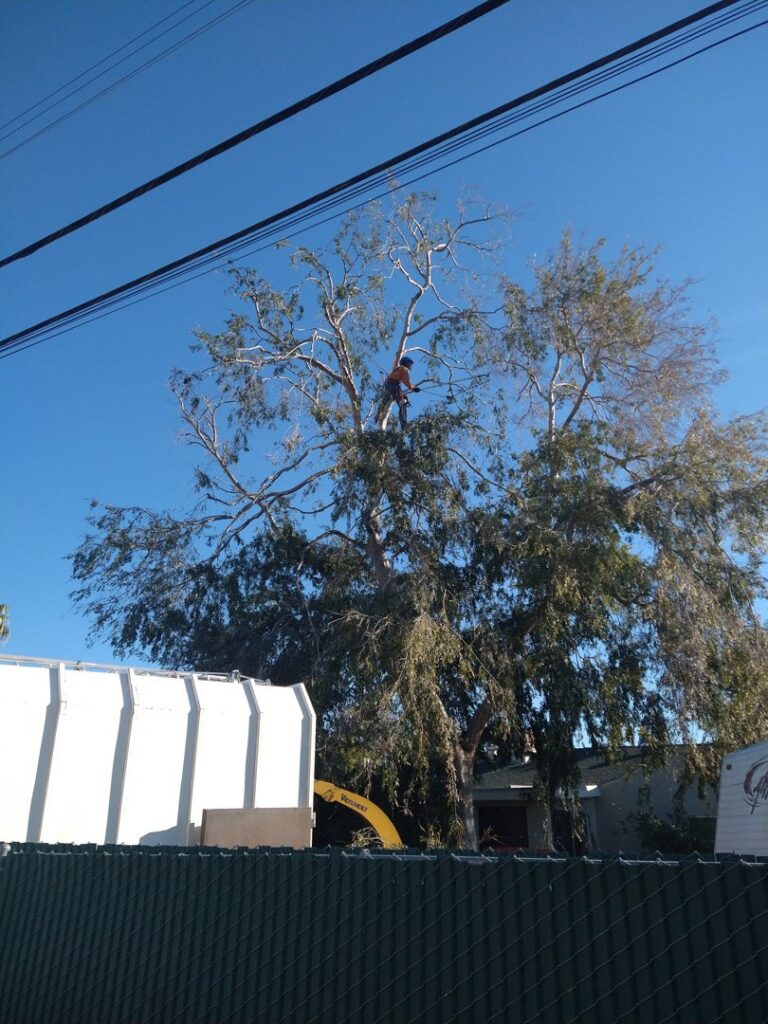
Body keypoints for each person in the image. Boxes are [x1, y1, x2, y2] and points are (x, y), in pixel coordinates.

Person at [383, 356, 420, 428]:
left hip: (388, 386)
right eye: (410, 364)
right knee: (402, 404)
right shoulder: (404, 369)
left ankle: (378, 416)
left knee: (384, 403)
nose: (410, 366)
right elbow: (407, 383)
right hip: (395, 386)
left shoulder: (396, 369)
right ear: (406, 363)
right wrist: (414, 388)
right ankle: (404, 423)